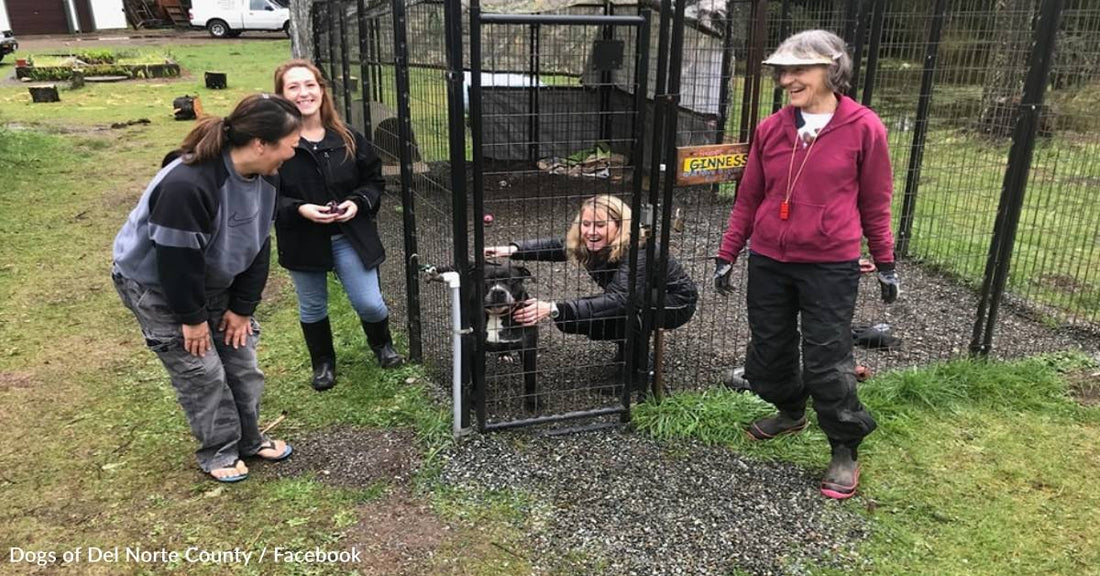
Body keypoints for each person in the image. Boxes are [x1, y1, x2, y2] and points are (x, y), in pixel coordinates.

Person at [713, 30, 900, 500]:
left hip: (829, 265)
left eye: (799, 70)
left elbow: (876, 202)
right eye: (783, 71)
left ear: (831, 69)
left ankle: (844, 447)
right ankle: (791, 410)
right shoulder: (770, 129)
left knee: (826, 361)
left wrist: (885, 262)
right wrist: (728, 252)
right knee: (767, 357)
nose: (787, 79)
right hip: (770, 261)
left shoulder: (864, 128)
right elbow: (750, 196)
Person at [112, 93, 301, 483]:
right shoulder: (190, 184)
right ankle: (218, 451)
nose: (292, 154)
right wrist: (193, 320)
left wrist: (243, 307)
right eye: (290, 145)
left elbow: (258, 240)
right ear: (260, 143)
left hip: (218, 280)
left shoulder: (267, 176)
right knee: (202, 372)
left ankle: (249, 440)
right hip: (161, 288)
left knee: (242, 362)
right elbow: (177, 263)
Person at [273, 59, 404, 392]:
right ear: (281, 95)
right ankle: (323, 363)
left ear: (321, 90)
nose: (303, 93)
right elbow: (264, 198)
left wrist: (357, 202)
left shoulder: (348, 137)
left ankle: (382, 346)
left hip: (349, 235)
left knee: (370, 303)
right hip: (302, 237)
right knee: (313, 304)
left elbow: (374, 181)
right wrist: (300, 208)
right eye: (293, 87)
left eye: (309, 85)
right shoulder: (275, 145)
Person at [486, 194, 698, 389]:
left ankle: (637, 373)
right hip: (633, 298)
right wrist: (514, 250)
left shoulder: (638, 249)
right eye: (586, 224)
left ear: (620, 226)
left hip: (674, 303)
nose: (591, 231)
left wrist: (554, 308)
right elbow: (560, 246)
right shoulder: (590, 242)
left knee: (623, 306)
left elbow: (621, 298)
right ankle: (629, 348)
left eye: (600, 225)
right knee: (578, 316)